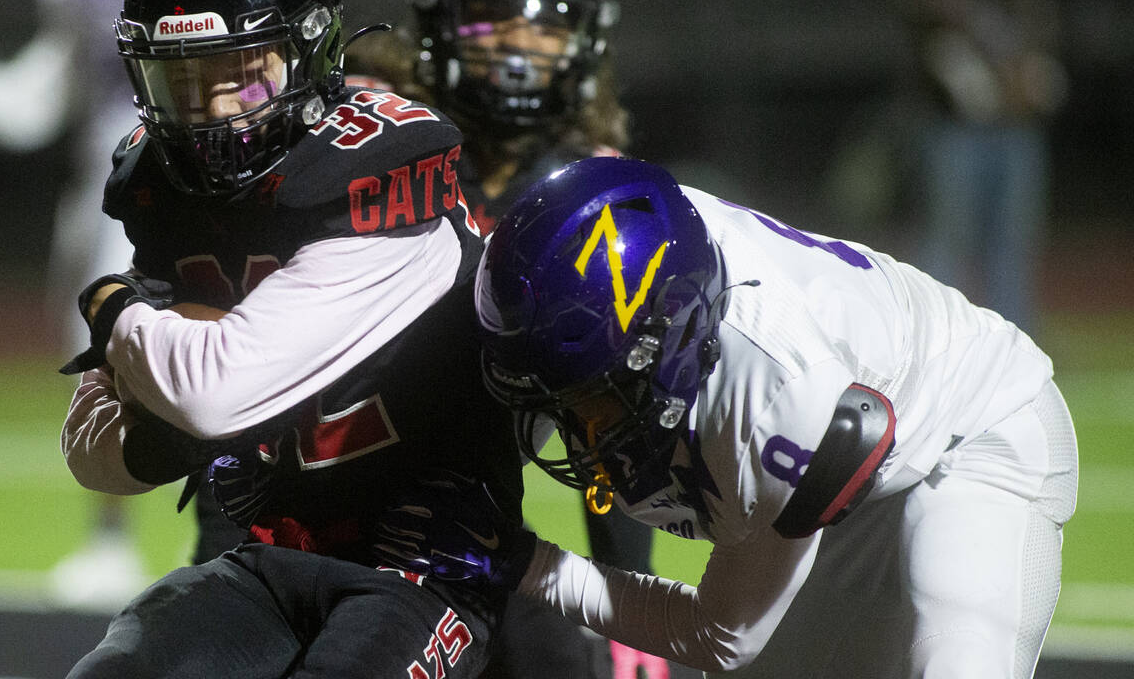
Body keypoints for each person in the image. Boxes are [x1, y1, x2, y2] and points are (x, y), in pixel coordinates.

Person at [373, 156, 1079, 678]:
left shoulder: (778, 402)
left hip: (974, 433)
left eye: (585, 396)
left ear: (670, 344)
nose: (569, 425)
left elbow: (720, 638)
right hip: (840, 477)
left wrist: (526, 563)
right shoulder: (648, 275)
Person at [59, 0, 522, 677]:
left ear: (310, 49)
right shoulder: (164, 191)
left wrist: (114, 310)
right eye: (183, 81)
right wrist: (156, 435)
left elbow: (213, 389)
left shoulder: (376, 174)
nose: (211, 115)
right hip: (271, 545)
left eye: (238, 75)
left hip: (424, 562)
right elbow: (88, 452)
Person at [359, 0, 686, 679]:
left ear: (585, 37)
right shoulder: (371, 139)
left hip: (469, 536)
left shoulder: (596, 190)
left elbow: (609, 427)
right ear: (436, 19)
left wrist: (630, 611)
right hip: (322, 503)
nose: (518, 42)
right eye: (490, 15)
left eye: (546, 23)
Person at [0, 0, 179, 610]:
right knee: (95, 356)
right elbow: (44, 99)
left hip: (190, 185)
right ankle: (111, 537)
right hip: (102, 195)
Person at [886, 0, 1067, 335]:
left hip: (1013, 120)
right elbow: (930, 21)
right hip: (952, 123)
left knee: (1011, 242)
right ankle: (934, 337)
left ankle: (1014, 338)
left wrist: (1029, 71)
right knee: (948, 238)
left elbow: (1034, 16)